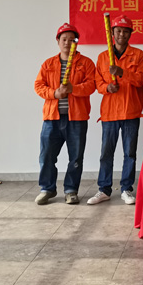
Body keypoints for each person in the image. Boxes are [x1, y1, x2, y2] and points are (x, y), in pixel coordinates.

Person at [88, 14, 143, 205]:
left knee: (129, 153)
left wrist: (122, 72)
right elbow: (97, 83)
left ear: (130, 33)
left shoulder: (138, 55)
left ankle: (126, 189)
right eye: (118, 31)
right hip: (109, 113)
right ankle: (104, 189)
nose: (122, 34)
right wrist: (107, 88)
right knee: (106, 153)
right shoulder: (103, 57)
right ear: (112, 33)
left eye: (125, 31)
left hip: (131, 111)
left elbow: (141, 79)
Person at [33, 23, 96, 205]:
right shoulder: (48, 64)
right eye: (64, 39)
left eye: (71, 39)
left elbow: (91, 85)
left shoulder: (86, 63)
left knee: (75, 157)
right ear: (58, 41)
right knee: (46, 156)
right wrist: (55, 93)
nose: (67, 43)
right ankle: (47, 188)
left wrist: (73, 89)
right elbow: (38, 85)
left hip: (76, 118)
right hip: (51, 118)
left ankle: (71, 190)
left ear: (77, 42)